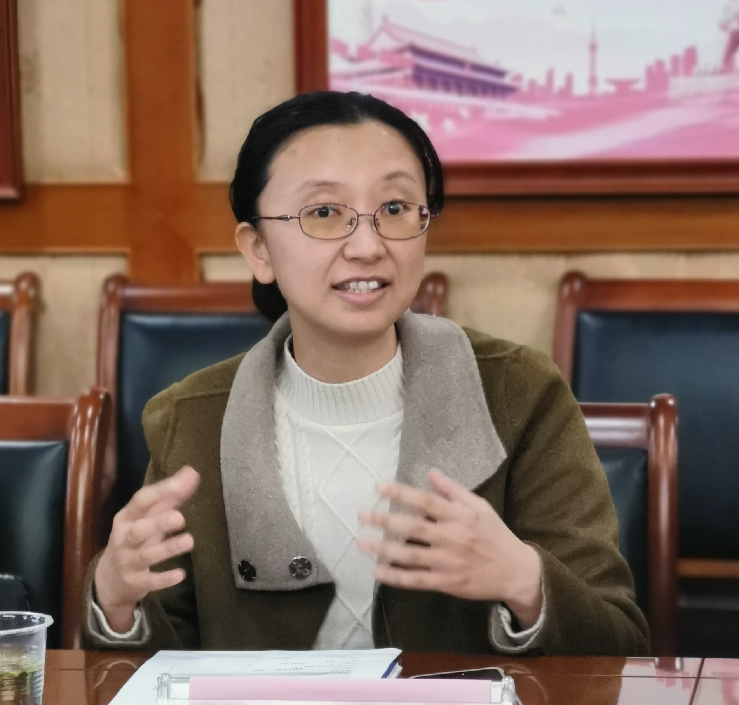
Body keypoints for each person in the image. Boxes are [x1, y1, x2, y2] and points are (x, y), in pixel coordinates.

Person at [83, 91, 648, 655]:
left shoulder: (519, 393)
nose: (367, 245)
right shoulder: (194, 419)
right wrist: (115, 602)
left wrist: (525, 581)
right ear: (259, 250)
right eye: (324, 213)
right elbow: (159, 671)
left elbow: (621, 645)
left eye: (395, 209)